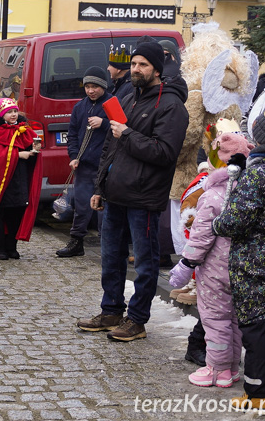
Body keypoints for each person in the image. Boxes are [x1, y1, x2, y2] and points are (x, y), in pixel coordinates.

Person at [77, 42, 188, 342]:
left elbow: (165, 152)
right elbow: (109, 148)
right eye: (134, 64)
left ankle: (137, 320)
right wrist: (100, 187)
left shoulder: (171, 105)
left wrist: (127, 134)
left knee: (145, 262)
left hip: (144, 197)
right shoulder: (127, 97)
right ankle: (111, 310)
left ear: (156, 69)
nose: (136, 69)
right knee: (110, 258)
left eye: (143, 65)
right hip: (115, 194)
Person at [213, 104, 265, 413]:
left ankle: (259, 394)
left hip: (254, 264)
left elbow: (232, 222)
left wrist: (218, 222)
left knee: (257, 327)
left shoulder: (259, 172)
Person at [170, 132, 252, 388]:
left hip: (215, 271)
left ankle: (217, 370)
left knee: (215, 321)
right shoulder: (249, 190)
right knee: (235, 320)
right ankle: (232, 366)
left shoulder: (212, 196)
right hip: (241, 267)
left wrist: (186, 265)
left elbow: (201, 237)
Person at [56, 67, 112, 258]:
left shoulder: (113, 104)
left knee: (104, 211)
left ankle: (108, 249)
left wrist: (104, 123)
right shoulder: (79, 107)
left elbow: (124, 129)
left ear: (103, 86)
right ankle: (76, 242)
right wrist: (73, 156)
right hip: (84, 166)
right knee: (81, 206)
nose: (91, 90)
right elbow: (72, 134)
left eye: (95, 86)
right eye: (87, 86)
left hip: (106, 167)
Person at [0, 98, 42, 260]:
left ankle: (11, 245)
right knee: (0, 212)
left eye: (15, 111)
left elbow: (31, 148)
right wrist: (19, 155)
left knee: (17, 209)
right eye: (9, 112)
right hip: (3, 180)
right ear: (2, 114)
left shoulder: (24, 130)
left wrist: (34, 150)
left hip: (20, 177)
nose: (13, 114)